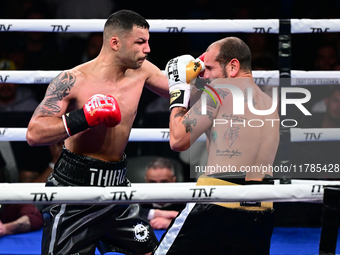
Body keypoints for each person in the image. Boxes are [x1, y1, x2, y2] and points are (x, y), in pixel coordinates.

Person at [25, 9, 187, 255]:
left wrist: (200, 73)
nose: (148, 49)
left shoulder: (143, 70)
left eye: (148, 42)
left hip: (117, 189)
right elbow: (34, 134)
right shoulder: (73, 79)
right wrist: (84, 117)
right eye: (140, 42)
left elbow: (180, 93)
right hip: (75, 191)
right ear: (115, 43)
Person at [153, 37, 280, 255]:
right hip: (262, 209)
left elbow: (178, 140)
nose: (206, 74)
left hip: (218, 203)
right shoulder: (269, 103)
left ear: (233, 66)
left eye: (209, 68)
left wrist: (178, 90)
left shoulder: (220, 90)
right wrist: (196, 82)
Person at [142, 158, 185, 230]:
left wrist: (172, 224)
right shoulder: (136, 202)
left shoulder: (186, 202)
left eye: (164, 182)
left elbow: (200, 223)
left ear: (173, 181)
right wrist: (155, 213)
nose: (158, 187)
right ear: (146, 181)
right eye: (153, 182)